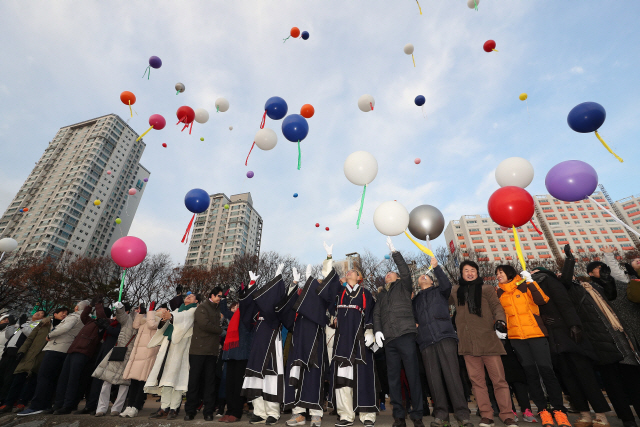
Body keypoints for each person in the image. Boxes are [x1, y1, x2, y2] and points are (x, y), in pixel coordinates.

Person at [561, 245, 640, 427]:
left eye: (602, 268)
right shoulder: (576, 289)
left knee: (633, 380)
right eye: (597, 268)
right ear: (588, 273)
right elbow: (566, 280)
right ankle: (627, 419)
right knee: (613, 383)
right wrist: (569, 259)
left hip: (620, 337)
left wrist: (610, 279)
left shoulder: (606, 286)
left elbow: (615, 296)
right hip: (598, 340)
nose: (601, 270)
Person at [532, 266, 611, 427]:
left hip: (569, 335)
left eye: (534, 271)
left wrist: (574, 325)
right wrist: (542, 318)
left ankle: (601, 415)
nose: (531, 273)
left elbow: (565, 304)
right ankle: (584, 414)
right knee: (568, 379)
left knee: (585, 376)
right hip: (553, 339)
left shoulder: (550, 282)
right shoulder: (532, 287)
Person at [495, 265, 570, 427]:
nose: (498, 276)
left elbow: (542, 300)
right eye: (497, 274)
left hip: (535, 334)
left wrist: (530, 282)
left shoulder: (525, 285)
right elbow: (498, 313)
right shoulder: (498, 292)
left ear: (509, 273)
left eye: (500, 273)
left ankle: (559, 410)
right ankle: (543, 410)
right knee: (531, 375)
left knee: (547, 372)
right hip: (516, 338)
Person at [317, 248, 378, 427]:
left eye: (354, 271)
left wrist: (370, 331)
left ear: (360, 278)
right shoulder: (340, 292)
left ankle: (367, 416)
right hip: (342, 341)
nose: (349, 271)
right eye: (348, 271)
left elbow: (370, 314)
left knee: (364, 377)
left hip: (360, 340)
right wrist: (329, 257)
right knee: (343, 379)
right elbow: (329, 278)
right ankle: (346, 415)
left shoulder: (366, 294)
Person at [449, 261, 514, 427]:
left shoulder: (486, 289)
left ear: (477, 273)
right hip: (467, 343)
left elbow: (496, 307)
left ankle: (507, 415)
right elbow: (443, 291)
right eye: (466, 270)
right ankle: (486, 415)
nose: (470, 273)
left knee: (499, 380)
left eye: (473, 270)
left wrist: (500, 322)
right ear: (461, 274)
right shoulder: (456, 291)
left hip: (488, 341)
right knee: (477, 382)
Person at [413, 256, 471, 427]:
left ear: (432, 280)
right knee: (433, 379)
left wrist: (436, 267)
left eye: (426, 276)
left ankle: (462, 414)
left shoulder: (440, 291)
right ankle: (441, 415)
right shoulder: (415, 301)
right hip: (425, 342)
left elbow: (446, 283)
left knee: (452, 376)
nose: (423, 276)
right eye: (420, 277)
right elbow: (413, 319)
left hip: (445, 337)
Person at [373, 237, 423, 427]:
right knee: (393, 379)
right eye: (386, 274)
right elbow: (376, 314)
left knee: (412, 375)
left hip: (406, 335)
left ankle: (417, 414)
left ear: (398, 277)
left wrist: (395, 253)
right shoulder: (381, 295)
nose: (388, 274)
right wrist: (378, 331)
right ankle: (399, 416)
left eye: (391, 273)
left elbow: (404, 269)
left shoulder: (404, 286)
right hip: (389, 340)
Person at [18, 300, 89, 416]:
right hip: (66, 350)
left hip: (56, 348)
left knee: (44, 377)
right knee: (55, 379)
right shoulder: (84, 319)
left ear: (76, 307)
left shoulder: (74, 316)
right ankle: (49, 404)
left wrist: (50, 335)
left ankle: (37, 405)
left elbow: (65, 328)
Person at [281, 259, 330, 427]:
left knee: (314, 376)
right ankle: (299, 413)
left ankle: (316, 414)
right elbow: (287, 309)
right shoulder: (300, 303)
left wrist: (310, 280)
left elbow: (318, 309)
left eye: (314, 284)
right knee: (296, 376)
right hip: (298, 341)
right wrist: (294, 285)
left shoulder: (320, 301)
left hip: (314, 340)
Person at [240, 265, 287, 426]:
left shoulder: (275, 308)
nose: (263, 297)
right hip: (258, 340)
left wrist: (278, 277)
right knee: (255, 377)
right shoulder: (258, 309)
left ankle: (273, 412)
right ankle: (259, 412)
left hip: (272, 338)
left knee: (271, 376)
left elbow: (277, 299)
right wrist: (252, 284)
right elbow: (246, 307)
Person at [0, 308, 68, 413]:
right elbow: (30, 338)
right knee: (18, 378)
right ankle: (8, 403)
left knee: (32, 380)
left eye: (66, 314)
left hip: (44, 355)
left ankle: (22, 402)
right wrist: (22, 351)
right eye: (62, 312)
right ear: (55, 314)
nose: (64, 315)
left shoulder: (62, 327)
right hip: (30, 353)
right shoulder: (43, 324)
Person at [145, 293, 200, 420]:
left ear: (196, 301)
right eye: (188, 295)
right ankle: (164, 407)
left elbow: (184, 318)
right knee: (165, 377)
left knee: (176, 378)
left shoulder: (193, 310)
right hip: (168, 345)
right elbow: (168, 323)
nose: (189, 297)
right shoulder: (177, 309)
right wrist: (164, 319)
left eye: (192, 296)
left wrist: (171, 316)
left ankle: (174, 408)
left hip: (181, 346)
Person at [51, 297, 110, 415]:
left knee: (74, 380)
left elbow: (102, 316)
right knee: (64, 379)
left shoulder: (104, 323)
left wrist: (98, 304)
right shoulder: (90, 321)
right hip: (73, 350)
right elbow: (83, 316)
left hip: (84, 352)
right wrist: (89, 306)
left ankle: (69, 405)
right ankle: (58, 404)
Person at [184, 287, 223, 421]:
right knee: (194, 382)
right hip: (198, 351)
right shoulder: (202, 308)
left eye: (221, 296)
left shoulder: (218, 310)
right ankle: (190, 411)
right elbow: (204, 324)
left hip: (211, 352)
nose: (220, 298)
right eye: (218, 295)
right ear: (212, 295)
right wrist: (220, 330)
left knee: (210, 383)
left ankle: (208, 411)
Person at [74, 305, 122, 415]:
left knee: (105, 383)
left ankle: (101, 406)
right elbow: (102, 335)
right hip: (102, 352)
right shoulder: (111, 323)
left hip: (113, 353)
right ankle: (91, 405)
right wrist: (103, 327)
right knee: (96, 382)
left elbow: (119, 334)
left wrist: (108, 327)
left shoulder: (124, 323)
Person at [92, 301, 135, 417]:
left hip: (132, 355)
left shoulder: (145, 325)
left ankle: (117, 408)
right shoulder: (129, 320)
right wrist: (119, 307)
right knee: (107, 380)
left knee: (124, 383)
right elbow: (121, 315)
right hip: (119, 351)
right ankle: (101, 408)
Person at [120, 303, 162, 418]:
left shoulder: (160, 320)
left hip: (148, 354)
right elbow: (135, 325)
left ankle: (136, 406)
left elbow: (152, 324)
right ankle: (129, 405)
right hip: (137, 355)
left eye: (161, 308)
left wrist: (150, 312)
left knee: (141, 383)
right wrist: (141, 313)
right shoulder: (147, 318)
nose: (159, 309)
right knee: (134, 382)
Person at [220, 294, 253, 423]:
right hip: (230, 354)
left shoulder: (248, 316)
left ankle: (236, 412)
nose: (237, 307)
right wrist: (223, 298)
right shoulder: (234, 316)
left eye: (240, 304)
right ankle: (229, 411)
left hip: (242, 354)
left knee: (238, 386)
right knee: (229, 385)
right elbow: (224, 311)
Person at [0, 310, 45, 401]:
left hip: (17, 352)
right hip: (7, 352)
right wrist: (11, 325)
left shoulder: (38, 325)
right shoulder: (25, 323)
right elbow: (10, 336)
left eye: (41, 314)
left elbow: (31, 335)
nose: (38, 313)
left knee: (8, 379)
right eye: (37, 312)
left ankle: (3, 399)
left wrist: (23, 325)